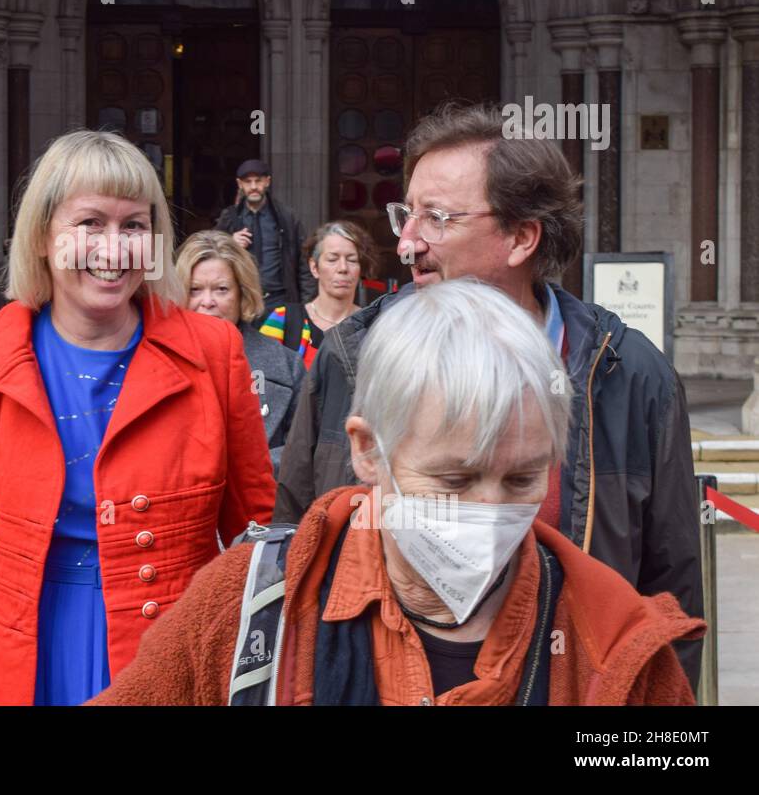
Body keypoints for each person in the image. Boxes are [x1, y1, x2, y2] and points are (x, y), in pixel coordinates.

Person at [89, 280, 706, 706]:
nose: (490, 511)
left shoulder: (617, 646)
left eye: (522, 478)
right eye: (454, 479)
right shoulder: (249, 604)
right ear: (366, 450)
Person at [273, 101, 704, 689]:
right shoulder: (352, 356)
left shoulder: (630, 375)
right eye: (406, 214)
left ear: (522, 237)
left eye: (437, 219)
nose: (406, 243)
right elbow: (299, 536)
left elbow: (671, 591)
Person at [0, 129, 275, 706]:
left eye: (134, 226)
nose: (113, 251)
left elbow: (253, 541)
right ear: (42, 236)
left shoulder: (213, 352)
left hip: (166, 660)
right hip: (7, 664)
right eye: (89, 224)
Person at [177, 230, 305, 476]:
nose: (207, 301)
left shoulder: (287, 366)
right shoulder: (154, 363)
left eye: (221, 289)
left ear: (242, 294)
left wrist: (244, 471)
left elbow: (304, 450)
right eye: (195, 289)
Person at [260, 220, 377, 368]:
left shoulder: (373, 326)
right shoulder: (282, 320)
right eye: (332, 259)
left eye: (352, 260)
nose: (343, 268)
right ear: (314, 267)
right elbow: (262, 382)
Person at [215, 159, 316, 311]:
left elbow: (304, 261)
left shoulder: (286, 217)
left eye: (258, 181)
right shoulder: (229, 217)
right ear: (240, 184)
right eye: (248, 182)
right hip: (242, 299)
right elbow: (211, 255)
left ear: (267, 182)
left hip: (280, 300)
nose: (254, 186)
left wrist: (307, 304)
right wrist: (230, 243)